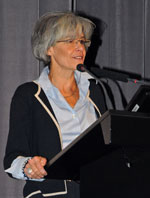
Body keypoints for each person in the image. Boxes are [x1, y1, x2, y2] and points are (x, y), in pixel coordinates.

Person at [4, 11, 107, 198]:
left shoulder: (95, 92)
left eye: (82, 41)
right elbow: (12, 160)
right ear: (49, 49)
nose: (79, 48)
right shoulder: (29, 95)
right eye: (70, 41)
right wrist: (29, 167)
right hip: (50, 194)